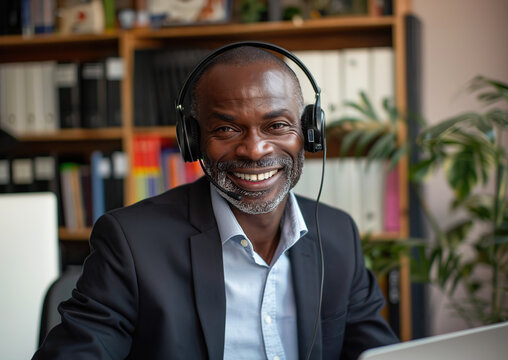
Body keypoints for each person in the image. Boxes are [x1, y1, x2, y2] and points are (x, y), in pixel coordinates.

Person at [33, 44, 398, 360]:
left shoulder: (337, 234)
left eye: (277, 126)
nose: (255, 150)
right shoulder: (132, 243)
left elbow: (375, 353)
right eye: (227, 129)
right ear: (193, 141)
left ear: (308, 132)